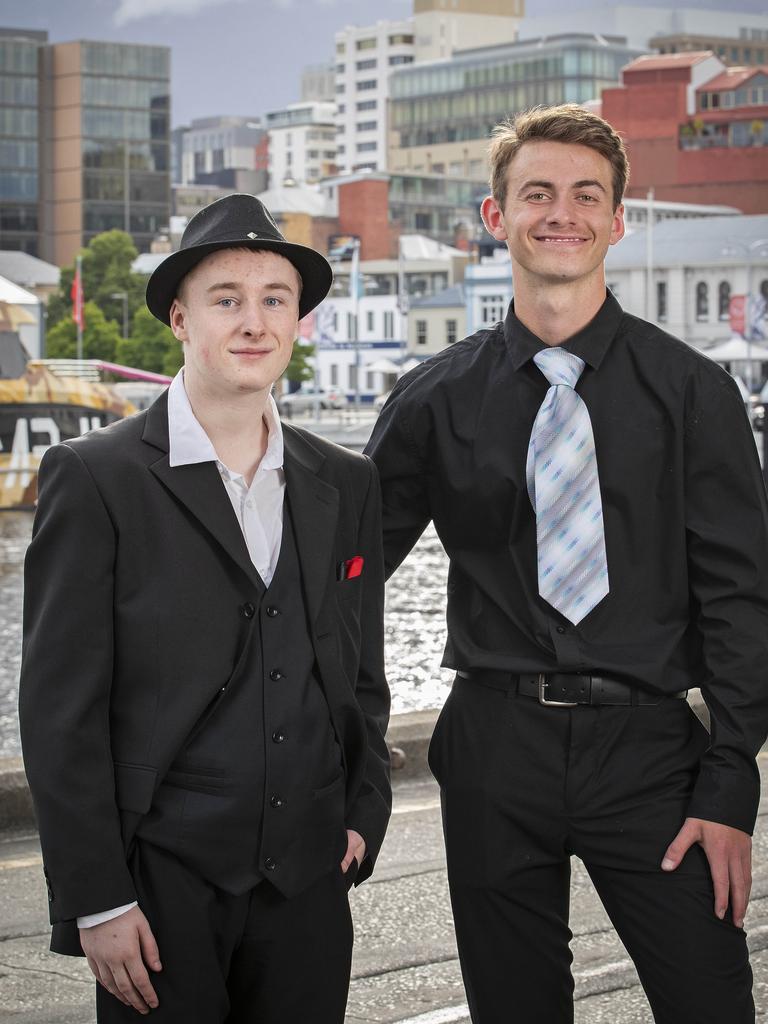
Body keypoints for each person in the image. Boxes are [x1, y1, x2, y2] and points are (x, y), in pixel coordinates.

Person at [365, 105, 768, 1022]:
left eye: (588, 195)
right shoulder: (432, 400)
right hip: (492, 747)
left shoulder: (695, 394)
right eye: (536, 192)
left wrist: (733, 775)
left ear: (618, 221)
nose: (563, 212)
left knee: (711, 1003)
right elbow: (342, 582)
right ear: (494, 216)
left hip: (655, 755)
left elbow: (744, 597)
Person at [20, 193, 391, 1023]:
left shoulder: (348, 481)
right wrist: (96, 900)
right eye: (227, 299)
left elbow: (357, 665)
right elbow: (58, 710)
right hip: (158, 889)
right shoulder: (95, 477)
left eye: (275, 300)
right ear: (181, 319)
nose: (253, 321)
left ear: (299, 322)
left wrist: (364, 808)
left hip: (308, 881)